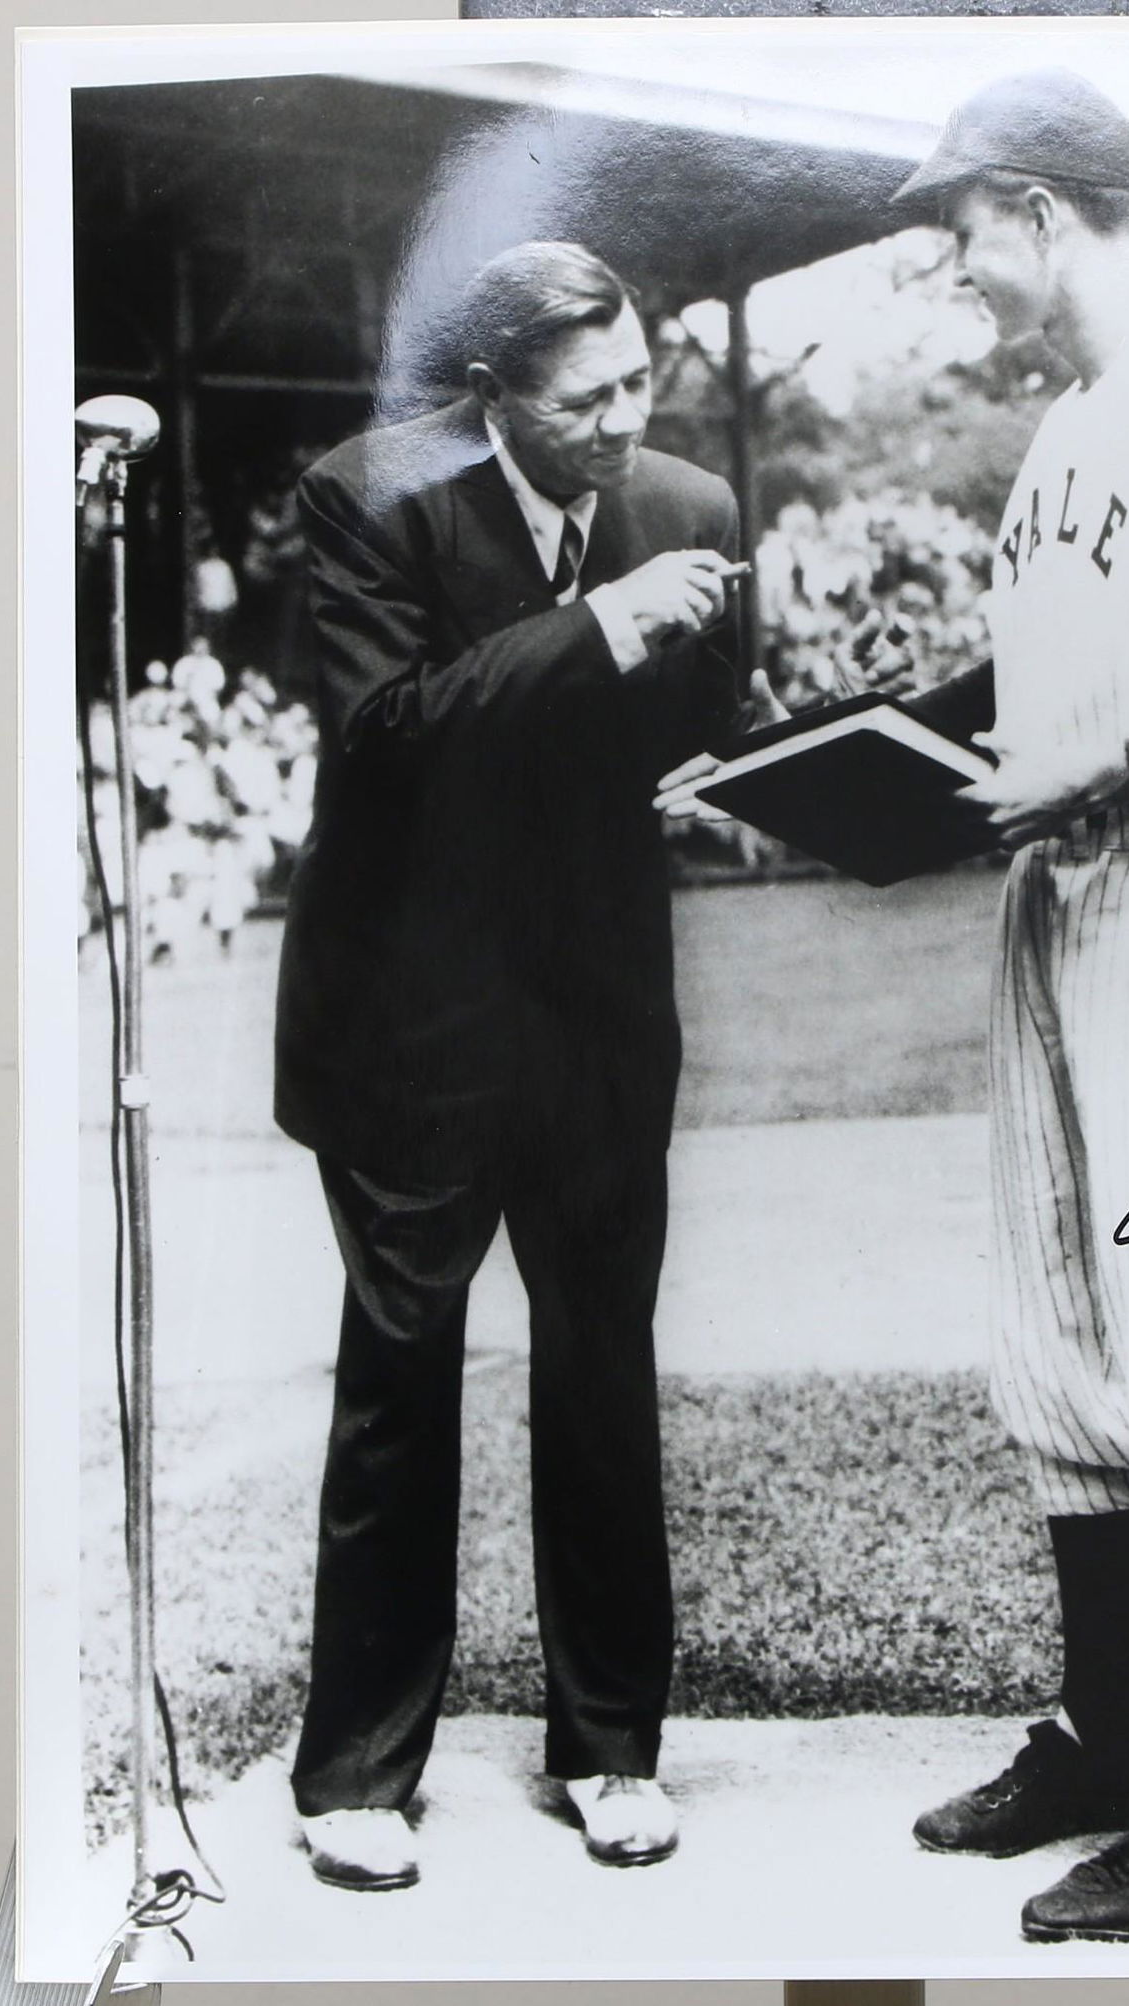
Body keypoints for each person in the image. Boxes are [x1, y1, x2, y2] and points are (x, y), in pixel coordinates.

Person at [661, 66, 1129, 1946]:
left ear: (1043, 208)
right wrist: (788, 766)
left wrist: (1102, 776)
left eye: (961, 226)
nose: (950, 262)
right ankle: (1106, 1740)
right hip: (1062, 905)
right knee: (1055, 1328)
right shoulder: (1067, 434)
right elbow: (1009, 676)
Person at [274, 240, 747, 1891]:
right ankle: (353, 1771)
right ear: (493, 396)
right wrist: (599, 629)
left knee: (603, 1366)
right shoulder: (368, 498)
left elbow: (710, 716)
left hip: (601, 1009)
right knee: (399, 1379)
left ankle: (613, 1748)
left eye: (640, 378)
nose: (629, 418)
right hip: (412, 1019)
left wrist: (744, 775)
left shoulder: (690, 505)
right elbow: (386, 738)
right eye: (586, 398)